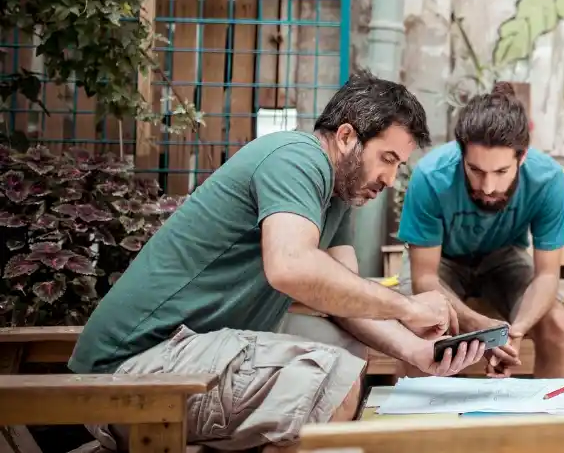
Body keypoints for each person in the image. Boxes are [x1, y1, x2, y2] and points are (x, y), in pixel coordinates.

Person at [68, 71, 486, 451]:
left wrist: (417, 350)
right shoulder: (296, 158)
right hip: (131, 370)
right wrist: (409, 307)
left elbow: (347, 301)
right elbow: (291, 267)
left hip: (186, 351)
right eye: (387, 159)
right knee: (330, 379)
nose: (391, 179)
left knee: (344, 347)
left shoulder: (337, 196)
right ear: (346, 136)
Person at [396, 82, 564, 379]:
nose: (488, 187)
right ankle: (419, 410)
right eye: (475, 170)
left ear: (522, 157)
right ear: (461, 154)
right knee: (421, 326)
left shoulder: (548, 178)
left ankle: (557, 410)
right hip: (442, 261)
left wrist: (515, 332)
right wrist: (479, 326)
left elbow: (547, 275)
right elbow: (424, 277)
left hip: (504, 257)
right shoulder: (430, 176)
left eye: (501, 172)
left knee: (556, 321)